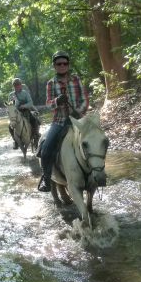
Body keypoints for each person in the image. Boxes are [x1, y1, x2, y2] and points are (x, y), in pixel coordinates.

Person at [37, 51, 89, 192]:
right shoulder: (51, 83)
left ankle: (98, 174)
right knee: (46, 149)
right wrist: (57, 101)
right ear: (54, 66)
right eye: (59, 64)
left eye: (64, 63)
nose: (62, 66)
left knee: (97, 141)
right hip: (59, 121)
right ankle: (46, 179)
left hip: (78, 120)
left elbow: (84, 99)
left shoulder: (76, 79)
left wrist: (78, 111)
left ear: (68, 65)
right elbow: (48, 104)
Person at [7, 78, 40, 148]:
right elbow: (10, 106)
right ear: (13, 86)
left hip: (26, 110)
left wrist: (24, 106)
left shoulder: (25, 93)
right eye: (15, 85)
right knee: (10, 126)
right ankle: (15, 141)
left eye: (18, 85)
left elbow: (30, 103)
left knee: (34, 120)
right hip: (16, 113)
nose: (17, 86)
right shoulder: (11, 95)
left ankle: (36, 135)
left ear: (21, 85)